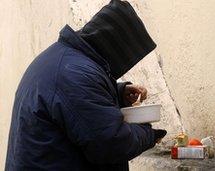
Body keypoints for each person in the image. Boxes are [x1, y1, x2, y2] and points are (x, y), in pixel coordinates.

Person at [5, 0, 167, 170]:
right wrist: (149, 134)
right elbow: (111, 143)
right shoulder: (75, 75)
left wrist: (119, 93)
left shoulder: (64, 58)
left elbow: (74, 108)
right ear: (112, 47)